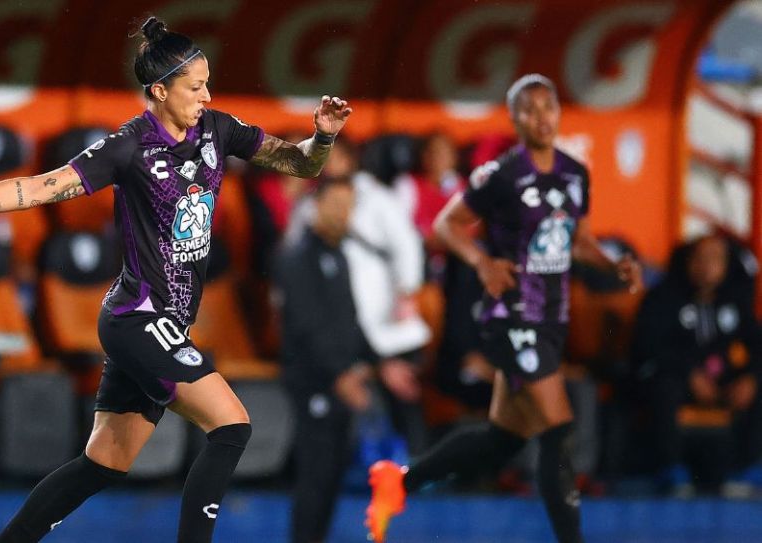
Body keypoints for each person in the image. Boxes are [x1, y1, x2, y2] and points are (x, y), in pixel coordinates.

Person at [0, 16, 351, 543]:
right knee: (232, 427)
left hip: (167, 322)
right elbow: (39, 187)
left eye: (208, 84)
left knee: (104, 462)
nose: (206, 96)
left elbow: (301, 166)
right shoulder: (128, 146)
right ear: (159, 90)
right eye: (195, 86)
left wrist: (322, 136)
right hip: (139, 317)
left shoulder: (218, 129)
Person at [365, 74, 642, 543]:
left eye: (548, 107)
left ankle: (399, 481)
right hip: (512, 315)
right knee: (557, 429)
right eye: (529, 109)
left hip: (551, 318)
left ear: (558, 111)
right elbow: (446, 225)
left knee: (504, 438)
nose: (541, 118)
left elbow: (579, 240)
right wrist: (483, 261)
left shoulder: (576, 173)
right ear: (515, 119)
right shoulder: (503, 175)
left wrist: (613, 265)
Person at [287, 137, 429, 455]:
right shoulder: (310, 200)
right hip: (335, 309)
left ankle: (416, 460)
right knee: (343, 385)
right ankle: (360, 461)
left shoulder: (376, 196)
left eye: (338, 157)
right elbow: (293, 250)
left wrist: (407, 291)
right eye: (325, 157)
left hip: (381, 304)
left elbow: (406, 243)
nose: (332, 164)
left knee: (398, 387)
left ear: (352, 159)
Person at [275, 177, 372, 543]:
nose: (342, 214)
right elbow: (306, 326)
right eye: (335, 205)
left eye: (349, 206)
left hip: (340, 380)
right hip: (314, 382)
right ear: (316, 206)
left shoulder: (341, 257)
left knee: (332, 474)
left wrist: (378, 361)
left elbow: (349, 320)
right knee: (314, 476)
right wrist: (340, 377)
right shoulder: (296, 259)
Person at [633, 234, 762, 495]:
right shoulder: (663, 297)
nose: (706, 266)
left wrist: (751, 377)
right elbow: (649, 346)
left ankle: (747, 468)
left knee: (756, 385)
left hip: (718, 381)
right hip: (676, 377)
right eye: (700, 259)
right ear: (687, 261)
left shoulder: (733, 301)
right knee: (665, 384)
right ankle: (671, 468)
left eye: (715, 259)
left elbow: (757, 344)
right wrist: (689, 373)